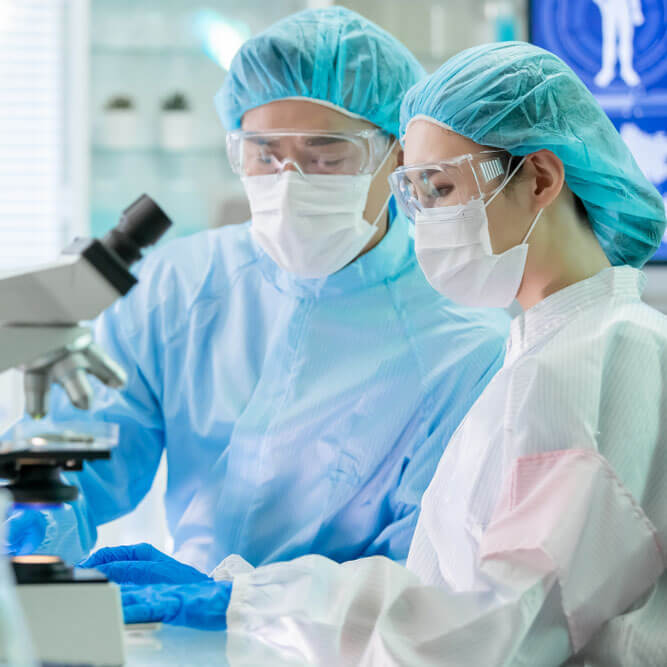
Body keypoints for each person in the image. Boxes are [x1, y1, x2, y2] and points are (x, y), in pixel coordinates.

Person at [86, 42, 667, 666]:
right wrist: (243, 596)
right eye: (412, 193)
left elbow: (500, 628)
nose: (421, 222)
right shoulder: (544, 351)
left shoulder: (605, 352)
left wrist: (245, 605)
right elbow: (447, 595)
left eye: (440, 188)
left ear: (541, 179)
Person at [5, 8, 508, 576]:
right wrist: (25, 524)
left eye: (326, 155)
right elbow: (83, 458)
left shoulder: (460, 343)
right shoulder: (178, 289)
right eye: (264, 154)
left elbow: (420, 571)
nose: (289, 181)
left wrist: (244, 605)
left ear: (396, 157)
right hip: (177, 630)